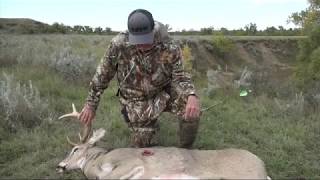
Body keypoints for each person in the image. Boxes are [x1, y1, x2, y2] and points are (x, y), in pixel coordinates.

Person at [79, 9, 200, 148]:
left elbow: (180, 75)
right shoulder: (118, 44)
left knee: (192, 110)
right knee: (141, 146)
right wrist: (90, 104)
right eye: (138, 41)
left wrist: (191, 95)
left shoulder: (169, 46)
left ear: (153, 30)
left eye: (146, 40)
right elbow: (101, 77)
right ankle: (144, 124)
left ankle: (186, 149)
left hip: (163, 93)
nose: (142, 46)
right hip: (136, 100)